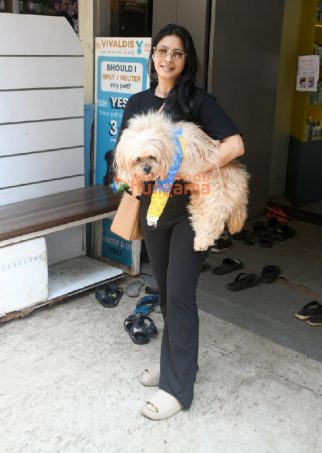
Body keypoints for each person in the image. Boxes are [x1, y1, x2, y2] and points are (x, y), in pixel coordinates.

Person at [117, 23, 245, 420]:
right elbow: (123, 155)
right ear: (152, 55)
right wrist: (129, 179)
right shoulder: (137, 102)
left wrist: (194, 170)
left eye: (177, 53)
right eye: (162, 51)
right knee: (166, 292)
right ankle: (176, 362)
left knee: (181, 293)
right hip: (155, 213)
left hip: (192, 211)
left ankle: (177, 388)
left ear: (186, 60)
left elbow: (235, 145)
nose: (168, 59)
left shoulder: (197, 101)